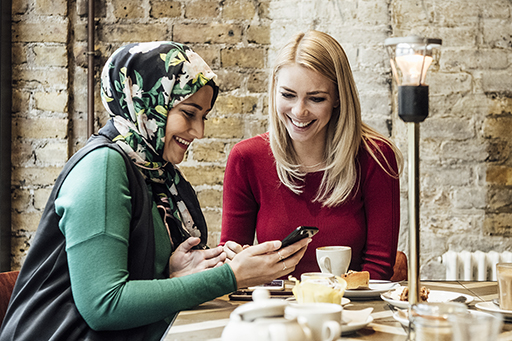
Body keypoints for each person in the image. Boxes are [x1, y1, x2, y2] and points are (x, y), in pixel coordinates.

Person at [0, 41, 309, 341]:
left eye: (203, 117)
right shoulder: (103, 167)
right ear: (146, 104)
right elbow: (104, 306)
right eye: (188, 113)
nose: (199, 131)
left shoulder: (155, 171)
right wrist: (231, 277)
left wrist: (173, 274)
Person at [220, 30, 403, 280]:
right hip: (274, 311)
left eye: (316, 98)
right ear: (274, 90)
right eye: (287, 95)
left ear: (339, 98)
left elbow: (378, 268)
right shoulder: (246, 158)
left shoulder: (375, 157)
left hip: (348, 310)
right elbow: (232, 264)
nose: (299, 111)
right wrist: (234, 259)